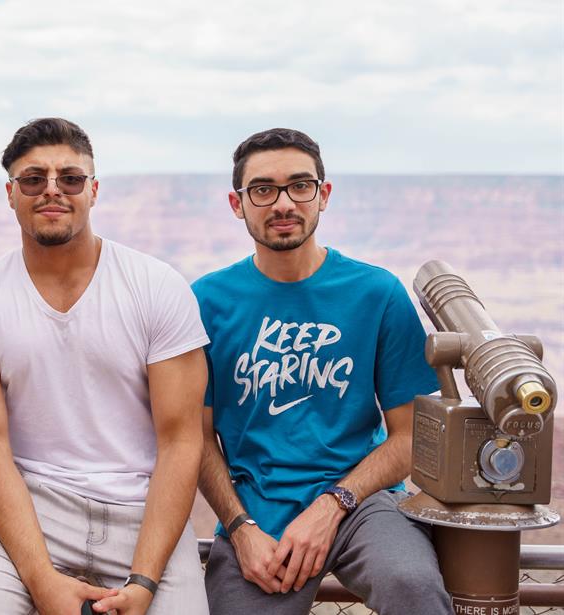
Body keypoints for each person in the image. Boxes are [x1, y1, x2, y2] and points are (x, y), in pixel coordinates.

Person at [0, 117, 210, 615]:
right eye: (33, 179)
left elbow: (181, 440)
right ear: (11, 193)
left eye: (71, 179)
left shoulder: (157, 286)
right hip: (25, 510)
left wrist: (144, 582)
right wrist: (41, 580)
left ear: (94, 189)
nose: (52, 191)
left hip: (143, 513)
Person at [192, 128, 453, 615]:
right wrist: (239, 528)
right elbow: (196, 437)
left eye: (300, 185)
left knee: (412, 584)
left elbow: (413, 436)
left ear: (323, 194)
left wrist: (334, 503)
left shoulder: (375, 293)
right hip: (257, 510)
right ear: (237, 203)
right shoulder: (207, 302)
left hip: (363, 502)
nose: (283, 203)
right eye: (263, 189)